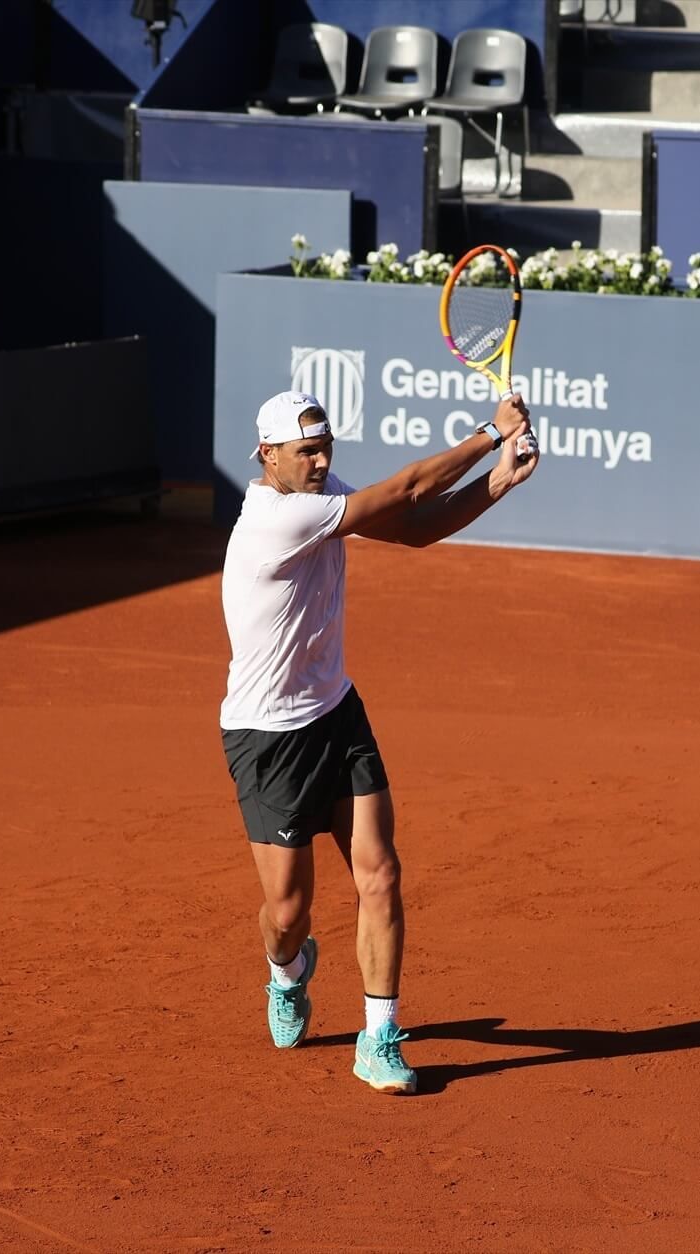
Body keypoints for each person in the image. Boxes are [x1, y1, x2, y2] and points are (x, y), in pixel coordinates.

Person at [219, 388, 539, 1095]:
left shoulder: (318, 489)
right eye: (307, 451)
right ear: (267, 455)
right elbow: (410, 486)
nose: (322, 459)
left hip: (336, 712)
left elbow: (414, 524)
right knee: (287, 911)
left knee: (381, 873)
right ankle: (288, 969)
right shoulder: (279, 517)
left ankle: (379, 1037)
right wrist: (491, 433)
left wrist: (498, 482)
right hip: (268, 737)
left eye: (326, 446)